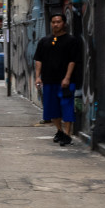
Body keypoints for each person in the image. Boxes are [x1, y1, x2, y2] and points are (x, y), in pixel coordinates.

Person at [33, 13, 84, 146]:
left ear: (64, 23)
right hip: (49, 80)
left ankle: (67, 134)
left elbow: (73, 61)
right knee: (52, 108)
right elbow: (38, 60)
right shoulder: (44, 41)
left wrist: (67, 77)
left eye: (58, 22)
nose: (56, 24)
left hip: (66, 82)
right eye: (53, 22)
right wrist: (38, 76)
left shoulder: (71, 41)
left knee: (66, 106)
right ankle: (59, 131)